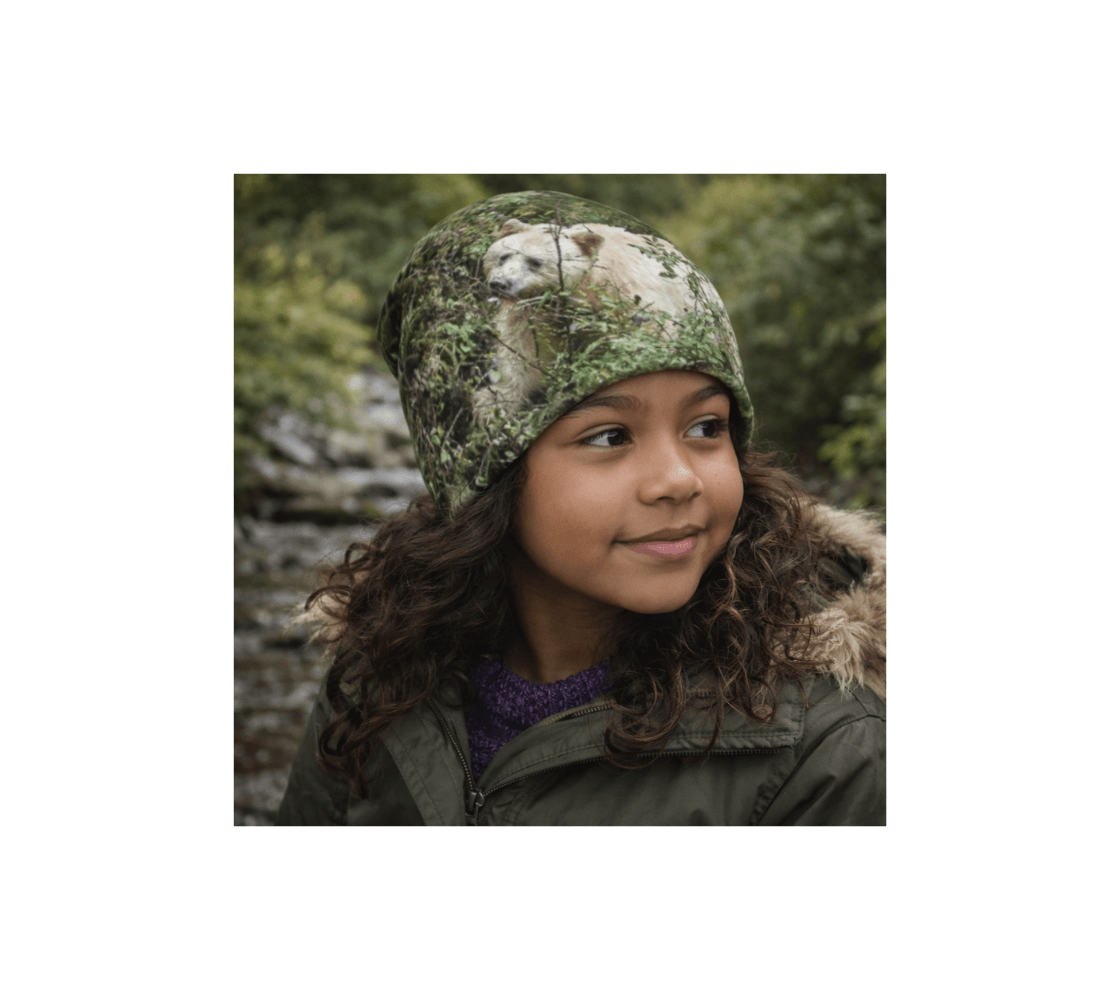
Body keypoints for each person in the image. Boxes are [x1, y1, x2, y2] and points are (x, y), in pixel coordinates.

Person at [276, 190, 886, 827]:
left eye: (707, 427)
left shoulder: (827, 745)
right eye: (609, 436)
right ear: (486, 473)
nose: (678, 481)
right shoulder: (379, 672)